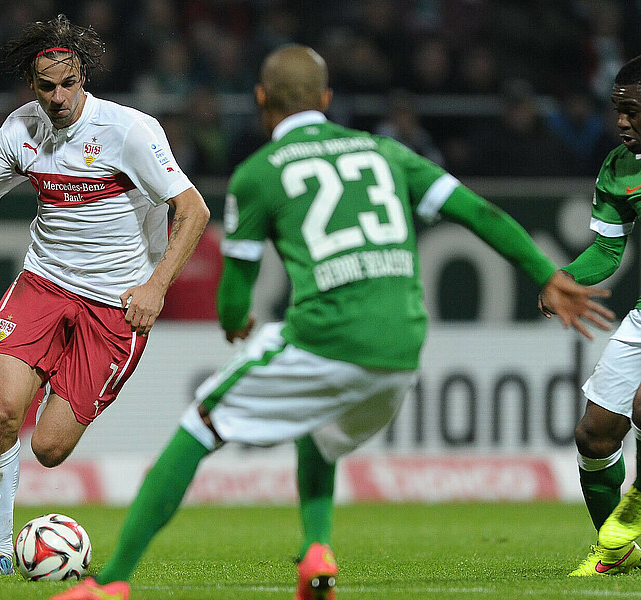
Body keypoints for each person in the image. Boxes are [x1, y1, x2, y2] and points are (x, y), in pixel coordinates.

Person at [51, 44, 613, 600]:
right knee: (319, 436)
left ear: (261, 99)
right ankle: (317, 550)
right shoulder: (386, 152)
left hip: (329, 338)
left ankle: (112, 582)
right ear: (326, 98)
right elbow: (476, 210)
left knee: (198, 428)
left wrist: (235, 322)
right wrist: (545, 273)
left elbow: (235, 293)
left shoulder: (258, 174)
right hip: (403, 346)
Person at [0, 15, 209, 577]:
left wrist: (156, 285)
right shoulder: (21, 129)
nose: (59, 96)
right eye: (47, 87)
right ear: (31, 84)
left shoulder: (129, 130)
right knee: (0, 414)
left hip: (115, 304)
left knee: (48, 447)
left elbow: (193, 210)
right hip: (43, 284)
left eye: (68, 83)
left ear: (83, 76)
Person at [561, 54, 641, 576]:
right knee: (595, 432)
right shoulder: (621, 166)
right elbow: (609, 251)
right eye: (617, 111)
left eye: (632, 111)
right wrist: (564, 278)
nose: (620, 122)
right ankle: (618, 550)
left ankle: (630, 521)